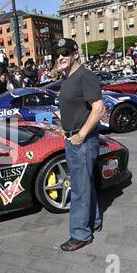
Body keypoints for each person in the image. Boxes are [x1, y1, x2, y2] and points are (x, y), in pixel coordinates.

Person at [56, 38, 105, 252]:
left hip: (81, 141)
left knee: (78, 188)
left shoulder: (85, 75)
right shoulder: (68, 78)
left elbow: (99, 108)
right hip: (72, 138)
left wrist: (81, 135)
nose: (61, 57)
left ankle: (80, 234)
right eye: (58, 53)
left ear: (75, 54)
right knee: (84, 184)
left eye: (65, 53)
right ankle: (93, 222)